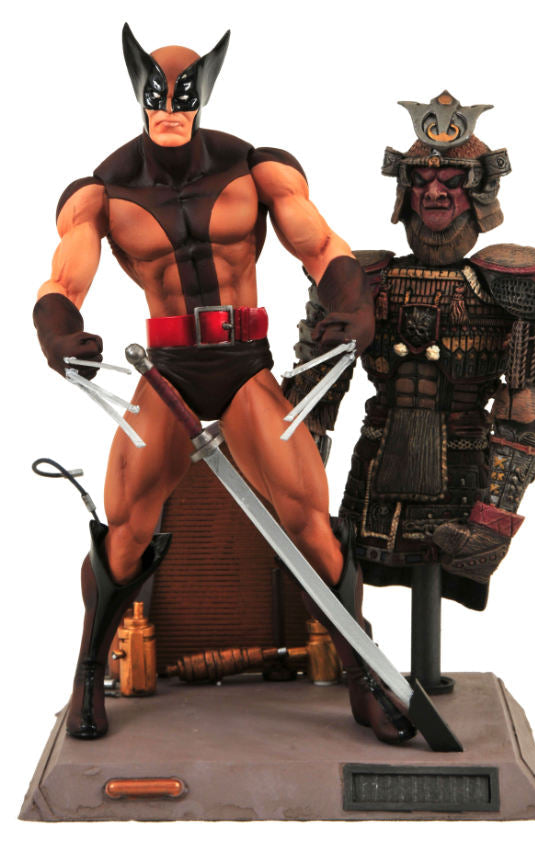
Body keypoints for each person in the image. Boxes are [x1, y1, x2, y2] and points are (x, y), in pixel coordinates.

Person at [33, 24, 415, 745]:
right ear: (139, 96)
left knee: (309, 520)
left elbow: (320, 245)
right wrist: (56, 330)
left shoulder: (257, 169)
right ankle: (88, 672)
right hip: (168, 370)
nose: (169, 111)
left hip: (243, 366)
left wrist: (353, 302)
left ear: (203, 96)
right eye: (157, 98)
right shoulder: (101, 191)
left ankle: (364, 676)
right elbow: (64, 277)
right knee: (126, 529)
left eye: (183, 98)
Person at [285, 91, 535, 616]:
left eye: (452, 180)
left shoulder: (516, 285)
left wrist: (493, 521)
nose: (435, 192)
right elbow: (310, 402)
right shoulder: (363, 279)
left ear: (481, 189)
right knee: (340, 592)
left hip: (466, 475)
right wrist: (291, 500)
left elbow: (528, 415)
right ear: (404, 189)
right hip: (373, 469)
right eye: (421, 179)